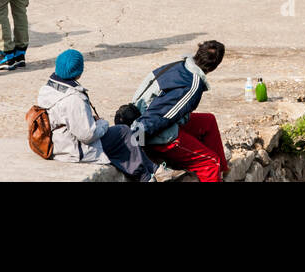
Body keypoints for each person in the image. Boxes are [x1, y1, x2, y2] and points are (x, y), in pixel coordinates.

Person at [35, 49, 155, 181]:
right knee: (124, 132)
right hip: (71, 150)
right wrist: (102, 123)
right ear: (79, 73)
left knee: (123, 136)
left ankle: (152, 169)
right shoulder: (74, 98)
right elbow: (87, 135)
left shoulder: (46, 89)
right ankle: (146, 176)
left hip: (58, 141)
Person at [132, 40, 228, 182]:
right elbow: (160, 116)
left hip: (141, 117)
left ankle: (222, 172)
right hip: (155, 134)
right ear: (214, 67)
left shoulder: (178, 66)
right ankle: (215, 171)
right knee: (212, 163)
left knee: (208, 121)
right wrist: (134, 139)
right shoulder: (193, 85)